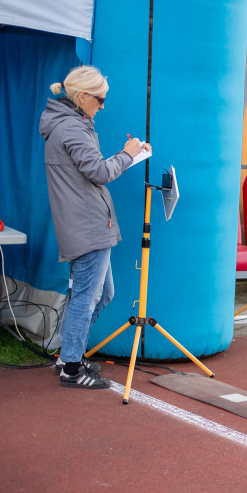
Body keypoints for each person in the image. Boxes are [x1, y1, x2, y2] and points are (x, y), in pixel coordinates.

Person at [39, 65, 149, 389]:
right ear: (83, 96)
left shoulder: (72, 123)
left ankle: (68, 355)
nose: (102, 105)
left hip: (89, 224)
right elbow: (99, 172)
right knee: (87, 298)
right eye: (100, 99)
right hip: (86, 226)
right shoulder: (71, 128)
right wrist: (127, 155)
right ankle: (71, 367)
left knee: (101, 294)